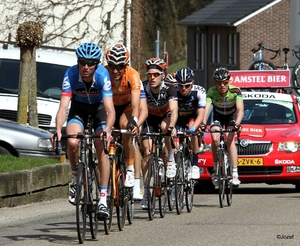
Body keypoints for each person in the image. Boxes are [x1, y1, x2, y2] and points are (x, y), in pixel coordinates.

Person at [50, 42, 115, 219]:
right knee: (72, 141)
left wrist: (108, 130)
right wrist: (57, 130)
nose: (85, 67)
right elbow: (63, 108)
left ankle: (102, 199)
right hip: (79, 109)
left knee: (101, 144)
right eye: (82, 62)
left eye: (90, 63)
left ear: (97, 64)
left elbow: (110, 109)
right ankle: (76, 178)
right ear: (78, 62)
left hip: (99, 109)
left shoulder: (103, 75)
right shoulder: (70, 74)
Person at [105, 43, 147, 199]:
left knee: (125, 126)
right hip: (109, 108)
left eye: (120, 66)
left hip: (126, 107)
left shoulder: (132, 75)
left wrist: (134, 121)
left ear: (126, 65)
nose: (115, 70)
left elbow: (136, 105)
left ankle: (129, 167)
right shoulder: (103, 73)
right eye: (112, 66)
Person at [140, 57, 178, 209]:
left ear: (162, 74)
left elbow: (174, 110)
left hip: (165, 117)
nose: (152, 77)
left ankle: (170, 157)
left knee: (164, 127)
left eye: (156, 74)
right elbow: (138, 109)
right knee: (148, 152)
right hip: (149, 119)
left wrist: (172, 126)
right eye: (149, 74)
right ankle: (145, 192)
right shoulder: (143, 87)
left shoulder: (170, 88)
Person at [201, 67, 244, 187]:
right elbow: (207, 108)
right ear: (215, 83)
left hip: (231, 118)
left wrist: (237, 123)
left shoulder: (235, 90)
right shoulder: (211, 91)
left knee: (230, 139)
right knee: (215, 139)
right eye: (219, 83)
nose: (222, 86)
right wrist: (203, 122)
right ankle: (215, 170)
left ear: (229, 81)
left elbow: (240, 110)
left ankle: (235, 173)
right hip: (217, 117)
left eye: (225, 82)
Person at [174, 67, 206, 179]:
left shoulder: (199, 91)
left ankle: (195, 165)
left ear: (192, 83)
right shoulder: (173, 91)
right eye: (180, 85)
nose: (183, 88)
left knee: (193, 129)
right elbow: (169, 112)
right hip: (178, 118)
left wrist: (193, 129)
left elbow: (201, 114)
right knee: (175, 144)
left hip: (193, 117)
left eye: (187, 85)